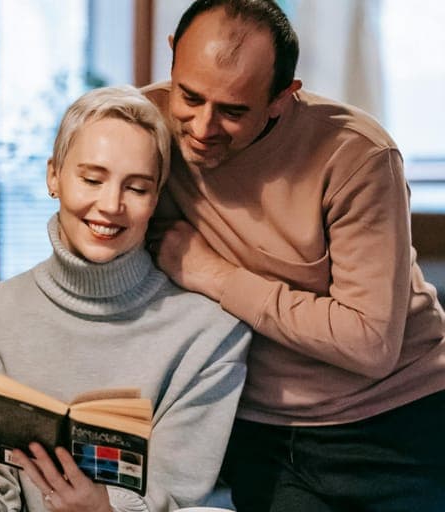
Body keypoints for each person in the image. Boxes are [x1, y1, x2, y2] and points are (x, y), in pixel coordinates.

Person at [142, 1, 445, 511]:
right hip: (264, 430)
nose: (202, 126)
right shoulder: (144, 124)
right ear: (172, 57)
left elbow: (370, 342)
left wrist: (211, 274)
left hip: (398, 421)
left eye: (234, 110)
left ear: (284, 97)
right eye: (189, 96)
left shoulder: (356, 155)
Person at [0, 85, 251, 512]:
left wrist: (105, 509)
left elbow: (182, 496)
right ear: (53, 175)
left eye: (137, 188)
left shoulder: (210, 333)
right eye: (92, 179)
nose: (110, 205)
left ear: (157, 196)